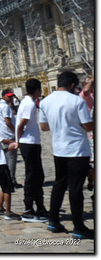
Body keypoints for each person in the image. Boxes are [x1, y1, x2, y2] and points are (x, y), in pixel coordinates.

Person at [39, 71, 94, 239]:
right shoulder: (76, 100)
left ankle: (53, 220)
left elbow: (43, 126)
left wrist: (60, 124)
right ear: (72, 85)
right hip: (77, 149)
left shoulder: (46, 101)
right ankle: (78, 226)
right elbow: (88, 125)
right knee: (76, 188)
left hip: (59, 149)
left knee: (59, 184)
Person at [16, 78, 49, 222]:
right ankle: (28, 209)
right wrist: (18, 141)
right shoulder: (29, 104)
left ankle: (40, 207)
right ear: (37, 90)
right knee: (31, 176)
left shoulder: (26, 101)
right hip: (29, 143)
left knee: (38, 176)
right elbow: (20, 125)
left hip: (31, 143)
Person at [0, 89, 21, 189]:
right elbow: (7, 121)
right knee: (12, 158)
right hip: (8, 134)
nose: (11, 98)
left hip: (1, 133)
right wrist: (15, 132)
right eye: (9, 96)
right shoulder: (5, 106)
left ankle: (8, 178)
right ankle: (11, 179)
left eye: (11, 96)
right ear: (3, 96)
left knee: (6, 157)